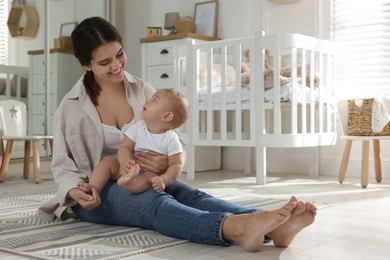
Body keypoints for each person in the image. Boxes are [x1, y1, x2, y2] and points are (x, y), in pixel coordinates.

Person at [37, 16, 317, 253]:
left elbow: (172, 139)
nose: (117, 65)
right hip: (97, 193)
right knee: (154, 203)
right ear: (87, 65)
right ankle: (238, 229)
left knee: (191, 195)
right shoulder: (71, 107)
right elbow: (62, 165)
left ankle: (273, 228)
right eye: (105, 62)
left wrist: (163, 163)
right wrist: (77, 191)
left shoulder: (144, 90)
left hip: (145, 178)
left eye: (120, 54)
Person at [83, 88, 189, 195]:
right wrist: (124, 161)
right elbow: (125, 147)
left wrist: (164, 180)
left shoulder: (171, 138)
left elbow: (177, 164)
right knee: (108, 161)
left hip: (150, 173)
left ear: (166, 116)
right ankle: (93, 187)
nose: (147, 100)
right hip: (131, 166)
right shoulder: (138, 127)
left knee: (149, 178)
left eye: (154, 100)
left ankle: (129, 183)